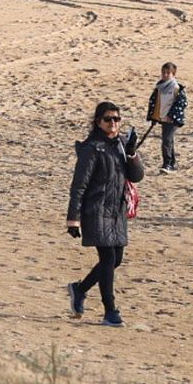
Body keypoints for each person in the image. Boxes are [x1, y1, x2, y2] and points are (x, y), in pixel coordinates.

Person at [66, 101, 145, 327]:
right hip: (96, 210)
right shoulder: (92, 148)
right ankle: (110, 311)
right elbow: (78, 186)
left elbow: (137, 176)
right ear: (98, 122)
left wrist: (132, 154)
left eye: (117, 119)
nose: (113, 123)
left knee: (116, 259)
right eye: (108, 119)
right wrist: (73, 218)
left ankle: (79, 289)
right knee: (108, 258)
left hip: (117, 211)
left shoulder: (121, 145)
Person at [146, 62, 188, 173]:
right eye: (163, 73)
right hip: (163, 118)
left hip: (172, 119)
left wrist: (172, 115)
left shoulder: (176, 88)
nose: (165, 75)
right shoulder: (159, 88)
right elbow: (155, 102)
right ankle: (172, 162)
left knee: (166, 140)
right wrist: (154, 117)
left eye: (167, 73)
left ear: (173, 74)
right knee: (168, 140)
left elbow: (181, 103)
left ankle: (167, 163)